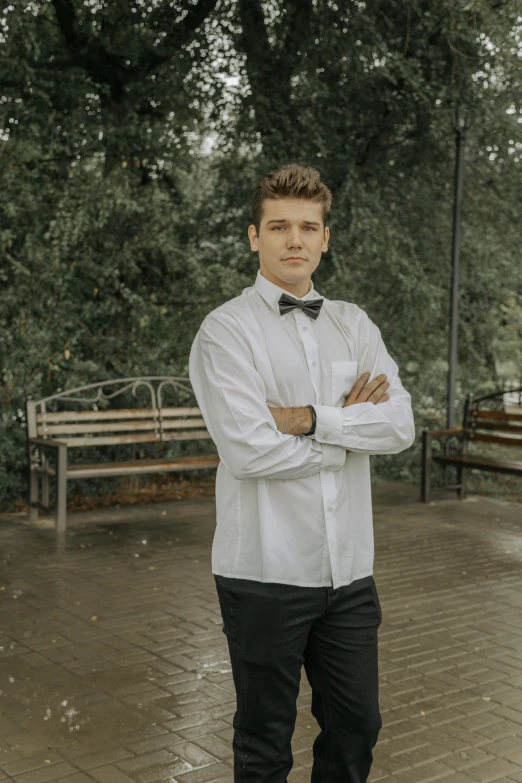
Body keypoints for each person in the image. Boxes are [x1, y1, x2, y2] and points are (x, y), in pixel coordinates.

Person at [188, 163, 415, 783]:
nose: (295, 239)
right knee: (264, 741)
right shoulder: (225, 332)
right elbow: (248, 452)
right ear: (254, 236)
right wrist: (347, 432)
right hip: (264, 572)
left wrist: (308, 418)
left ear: (325, 238)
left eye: (308, 227)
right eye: (279, 226)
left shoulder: (354, 323)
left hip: (350, 573)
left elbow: (399, 426)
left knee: (357, 726)